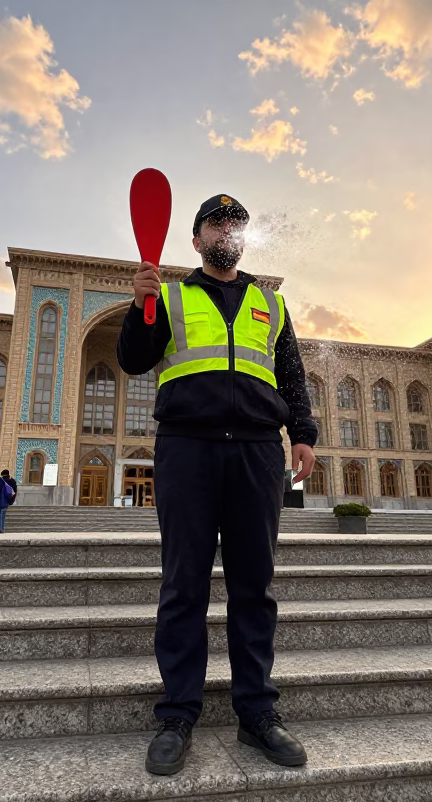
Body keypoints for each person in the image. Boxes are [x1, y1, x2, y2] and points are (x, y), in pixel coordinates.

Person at [118, 192, 316, 776]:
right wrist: (139, 306)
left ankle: (256, 714)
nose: (227, 230)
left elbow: (291, 375)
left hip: (257, 452)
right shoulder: (170, 296)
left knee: (255, 587)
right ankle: (177, 714)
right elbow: (133, 359)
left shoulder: (270, 303)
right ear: (198, 239)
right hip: (188, 449)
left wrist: (302, 432)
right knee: (184, 585)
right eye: (216, 223)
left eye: (236, 224)